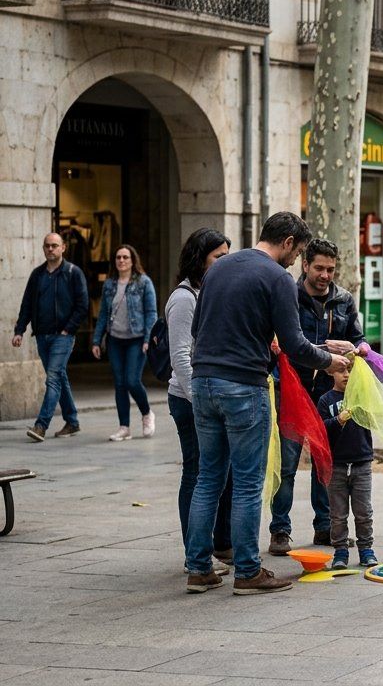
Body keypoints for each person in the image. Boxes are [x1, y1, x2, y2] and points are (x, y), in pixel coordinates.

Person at [183, 212, 351, 596]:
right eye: (298, 252)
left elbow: (199, 330)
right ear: (289, 242)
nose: (295, 262)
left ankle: (197, 568)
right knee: (246, 482)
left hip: (203, 382)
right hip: (244, 386)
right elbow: (294, 344)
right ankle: (247, 571)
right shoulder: (276, 277)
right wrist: (330, 361)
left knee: (208, 478)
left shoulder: (220, 268)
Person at [270, 239, 365, 556]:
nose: (325, 275)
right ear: (305, 265)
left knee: (328, 460)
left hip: (329, 392)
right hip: (293, 389)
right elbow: (279, 341)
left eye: (331, 269)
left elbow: (359, 342)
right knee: (287, 463)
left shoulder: (344, 300)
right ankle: (280, 531)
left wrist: (352, 348)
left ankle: (325, 527)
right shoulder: (288, 295)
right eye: (320, 268)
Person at [168, 228, 233, 570]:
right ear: (200, 258)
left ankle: (218, 544)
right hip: (189, 398)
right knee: (196, 474)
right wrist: (200, 398)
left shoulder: (208, 292)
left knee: (218, 473)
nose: (224, 263)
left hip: (207, 396)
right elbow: (180, 357)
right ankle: (196, 552)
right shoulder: (184, 298)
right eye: (217, 257)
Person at [13, 233, 89, 443]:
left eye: (55, 245)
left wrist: (68, 329)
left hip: (62, 337)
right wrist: (20, 330)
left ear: (63, 248)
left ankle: (41, 425)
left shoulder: (73, 273)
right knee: (59, 378)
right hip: (42, 336)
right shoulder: (37, 275)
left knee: (53, 378)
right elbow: (27, 304)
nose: (50, 249)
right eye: (47, 246)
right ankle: (72, 421)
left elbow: (83, 305)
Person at [91, 244, 159, 441]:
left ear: (132, 260)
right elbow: (103, 313)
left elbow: (151, 312)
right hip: (115, 340)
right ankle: (124, 427)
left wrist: (148, 338)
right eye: (118, 257)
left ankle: (147, 413)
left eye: (125, 257)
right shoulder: (110, 284)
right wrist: (96, 340)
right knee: (120, 383)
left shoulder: (144, 282)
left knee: (131, 380)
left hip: (136, 340)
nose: (121, 261)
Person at [318, 368, 376, 570]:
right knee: (337, 514)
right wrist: (338, 420)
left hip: (362, 463)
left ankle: (366, 549)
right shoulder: (325, 400)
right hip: (337, 465)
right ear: (330, 373)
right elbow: (320, 428)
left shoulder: (363, 396)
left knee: (364, 512)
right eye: (341, 370)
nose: (346, 375)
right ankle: (340, 551)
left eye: (351, 370)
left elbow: (375, 418)